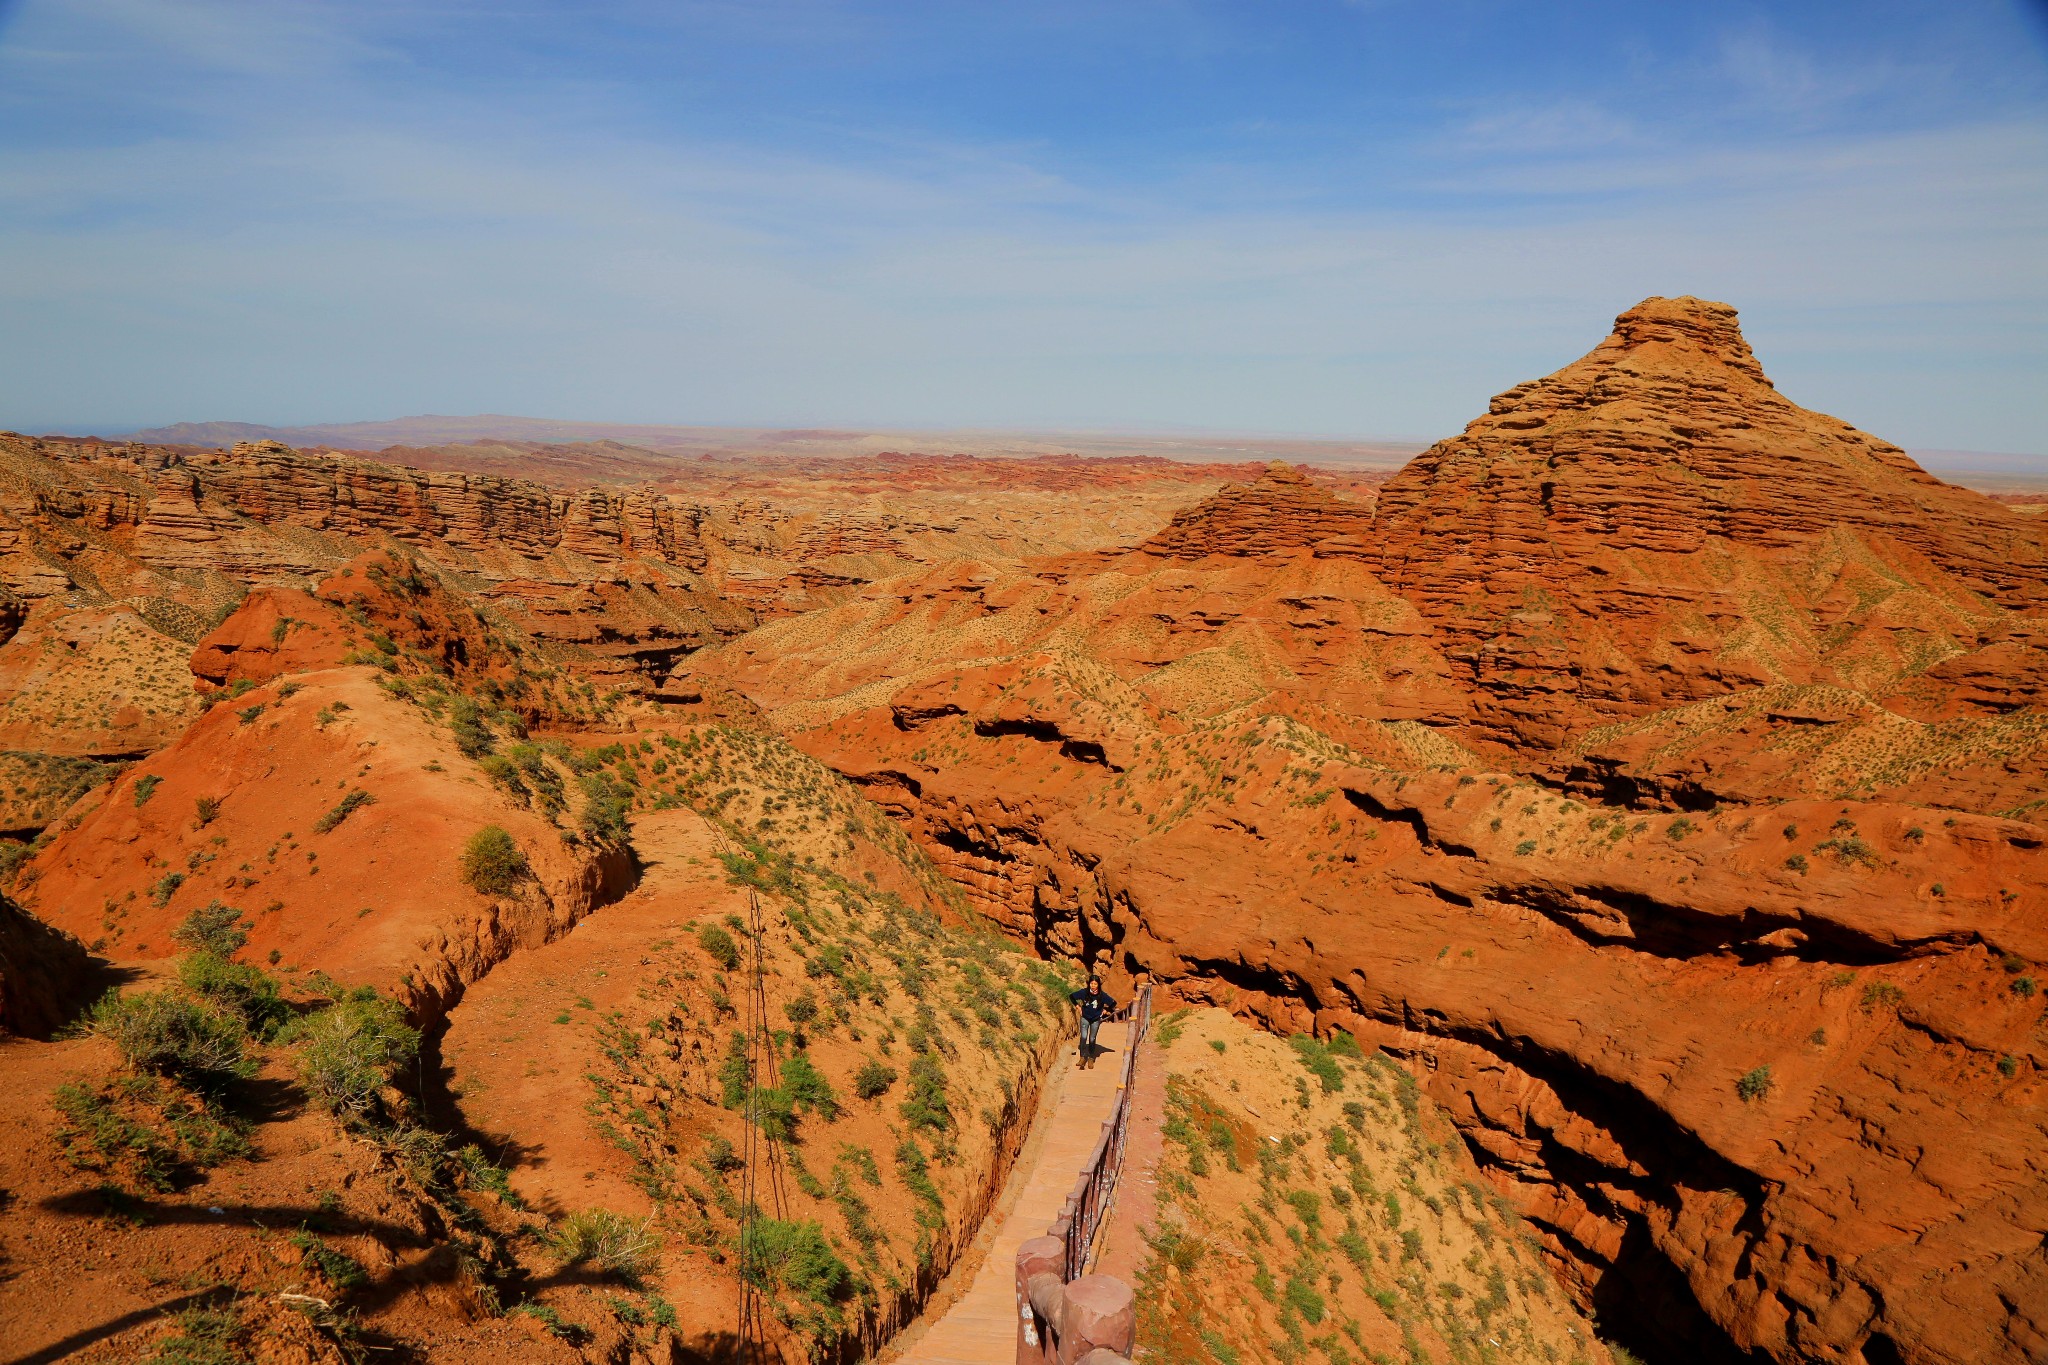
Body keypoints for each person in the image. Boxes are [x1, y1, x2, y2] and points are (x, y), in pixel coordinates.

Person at [1068, 974, 1120, 1068]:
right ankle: (1082, 1057)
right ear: (1089, 984)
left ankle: (1091, 1058)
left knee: (1092, 1038)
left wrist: (1106, 1010)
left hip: (1096, 1019)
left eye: (1095, 984)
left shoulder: (1102, 995)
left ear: (1098, 985)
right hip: (1085, 1017)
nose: (1093, 986)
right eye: (1091, 983)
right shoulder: (1084, 992)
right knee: (1083, 1037)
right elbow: (1071, 996)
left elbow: (1113, 1003)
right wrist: (1078, 1007)